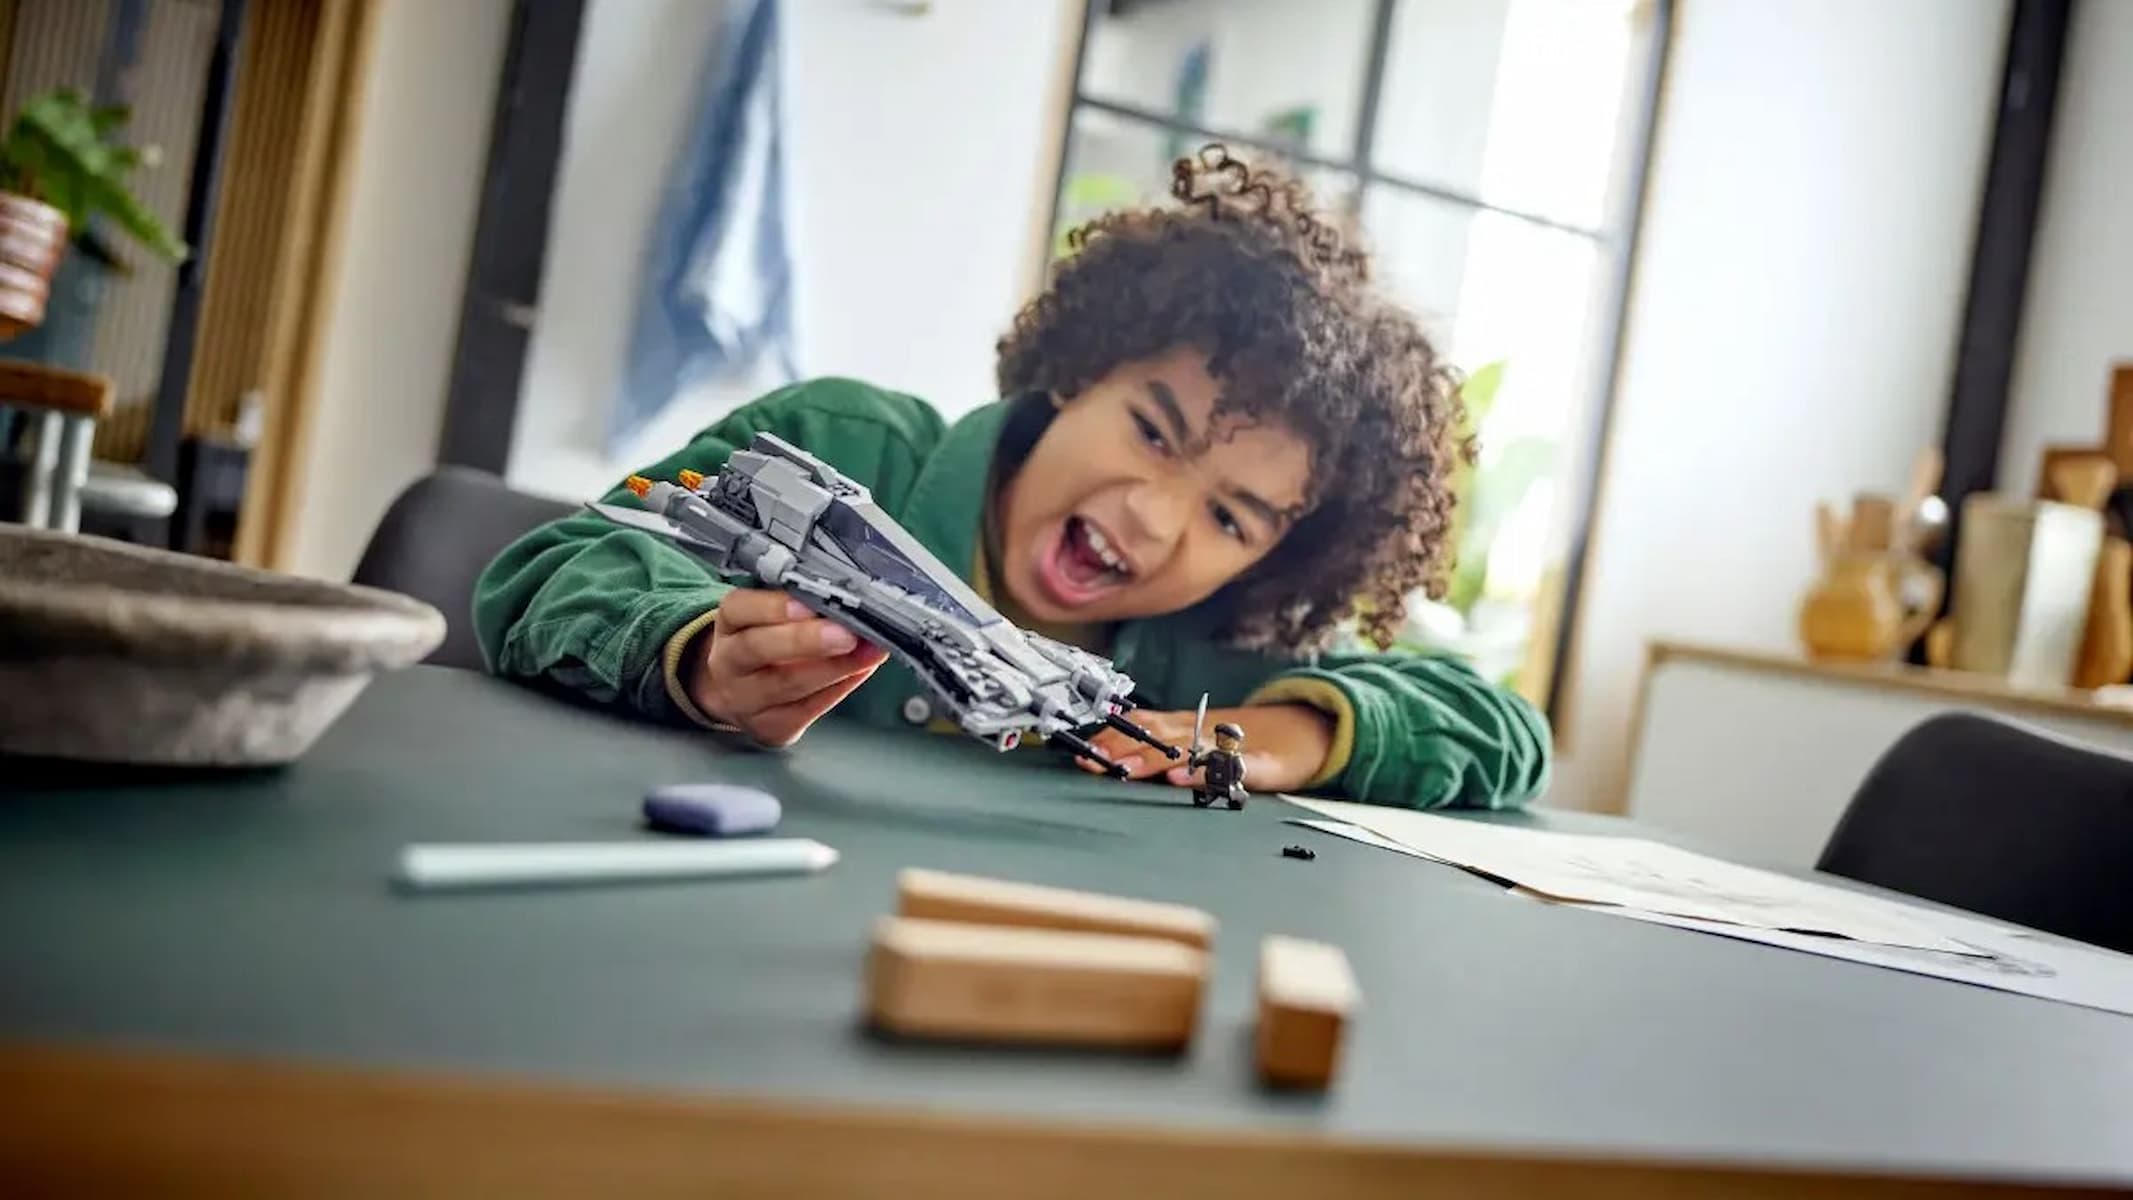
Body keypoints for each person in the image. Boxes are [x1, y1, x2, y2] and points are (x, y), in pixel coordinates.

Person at [473, 145, 1550, 810]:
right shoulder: (845, 444)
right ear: (1082, 369)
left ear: (1281, 556)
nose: (1155, 516)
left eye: (1233, 515)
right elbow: (553, 567)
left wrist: (1283, 737)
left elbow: (1501, 730)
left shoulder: (1231, 637)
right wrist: (695, 653)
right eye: (1153, 430)